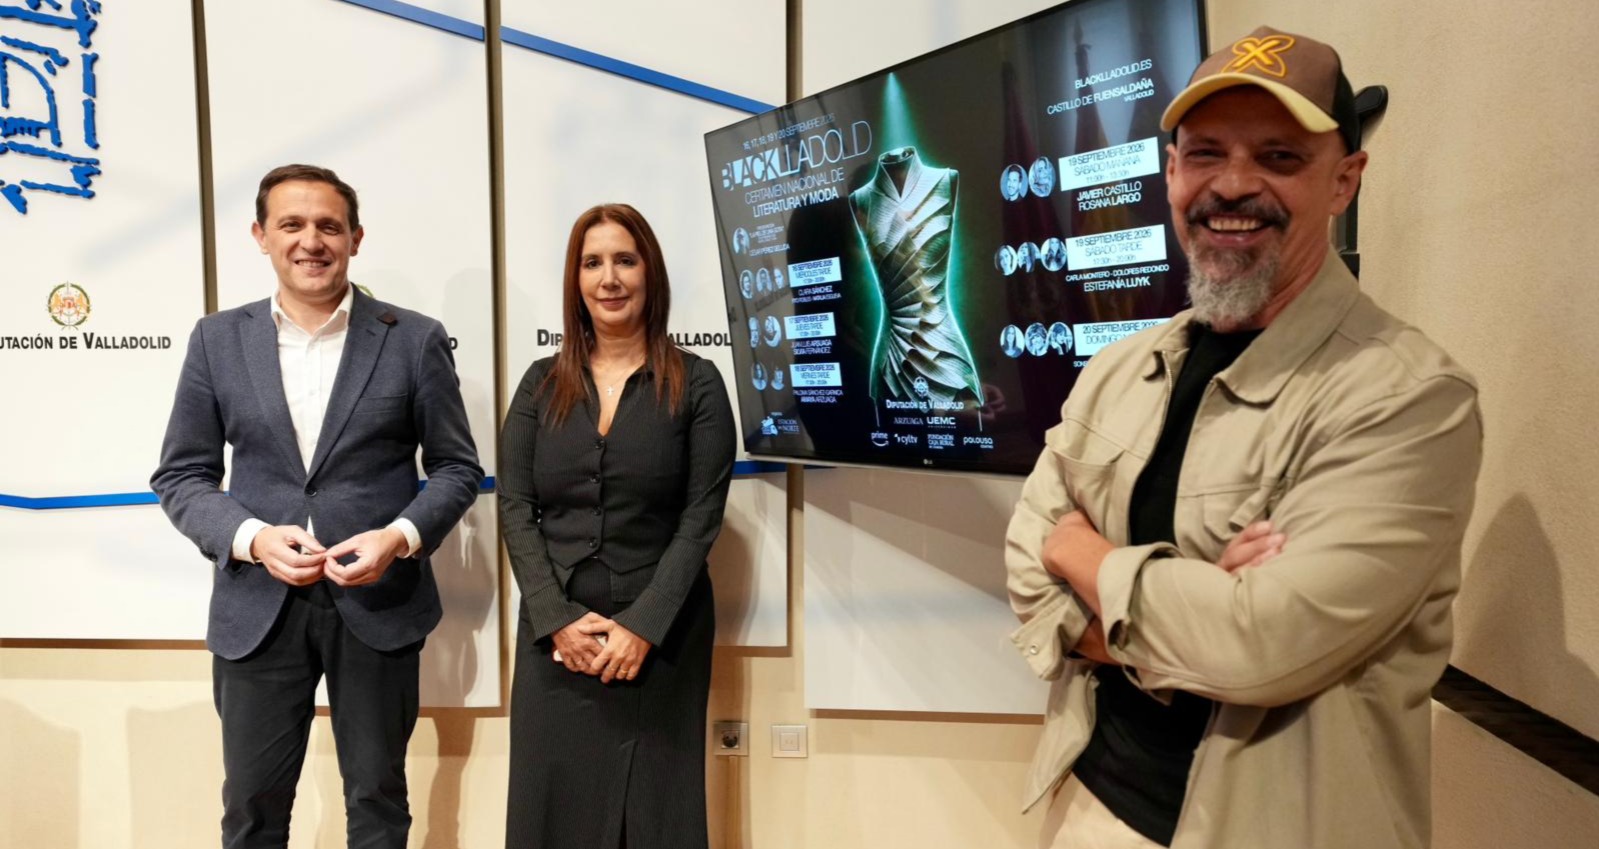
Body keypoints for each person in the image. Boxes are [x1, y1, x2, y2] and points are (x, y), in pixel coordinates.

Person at [1004, 27, 1481, 849]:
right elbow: (1024, 561)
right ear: (1170, 173)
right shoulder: (1118, 368)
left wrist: (1082, 555)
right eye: (1204, 154)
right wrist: (1194, 602)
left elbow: (1260, 645)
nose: (1231, 185)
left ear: (1344, 180)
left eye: (1278, 157)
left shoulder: (1409, 397)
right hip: (1082, 802)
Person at [151, 164, 483, 849]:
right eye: (292, 224)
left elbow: (457, 469)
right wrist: (251, 537)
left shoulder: (413, 338)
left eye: (329, 226)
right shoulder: (217, 339)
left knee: (378, 802)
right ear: (260, 235)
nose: (311, 241)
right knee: (252, 809)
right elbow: (182, 474)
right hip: (257, 607)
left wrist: (398, 536)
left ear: (355, 238)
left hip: (378, 603)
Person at [499, 203, 736, 849]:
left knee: (655, 812)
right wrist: (554, 618)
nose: (609, 278)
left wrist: (642, 627)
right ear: (575, 279)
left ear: (649, 272)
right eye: (592, 263)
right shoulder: (539, 384)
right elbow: (515, 506)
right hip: (555, 636)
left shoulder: (698, 384)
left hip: (662, 636)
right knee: (551, 808)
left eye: (624, 261)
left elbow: (701, 517)